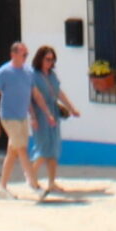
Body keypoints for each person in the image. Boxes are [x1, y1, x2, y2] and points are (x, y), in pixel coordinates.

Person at [0, 41, 53, 199]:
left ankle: (2, 188)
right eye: (23, 54)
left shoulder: (28, 72)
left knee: (12, 152)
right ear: (13, 54)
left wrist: (43, 114)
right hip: (8, 118)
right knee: (22, 150)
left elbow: (34, 95)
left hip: (22, 117)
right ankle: (34, 185)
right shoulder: (3, 72)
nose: (25, 57)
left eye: (26, 54)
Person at [26, 45, 79, 199]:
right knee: (43, 148)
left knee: (54, 149)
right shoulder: (33, 76)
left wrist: (71, 108)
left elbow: (59, 93)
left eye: (52, 60)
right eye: (47, 59)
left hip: (53, 113)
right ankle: (30, 177)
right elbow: (29, 98)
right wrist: (33, 117)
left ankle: (52, 182)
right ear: (40, 59)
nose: (50, 62)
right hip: (41, 114)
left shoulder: (52, 75)